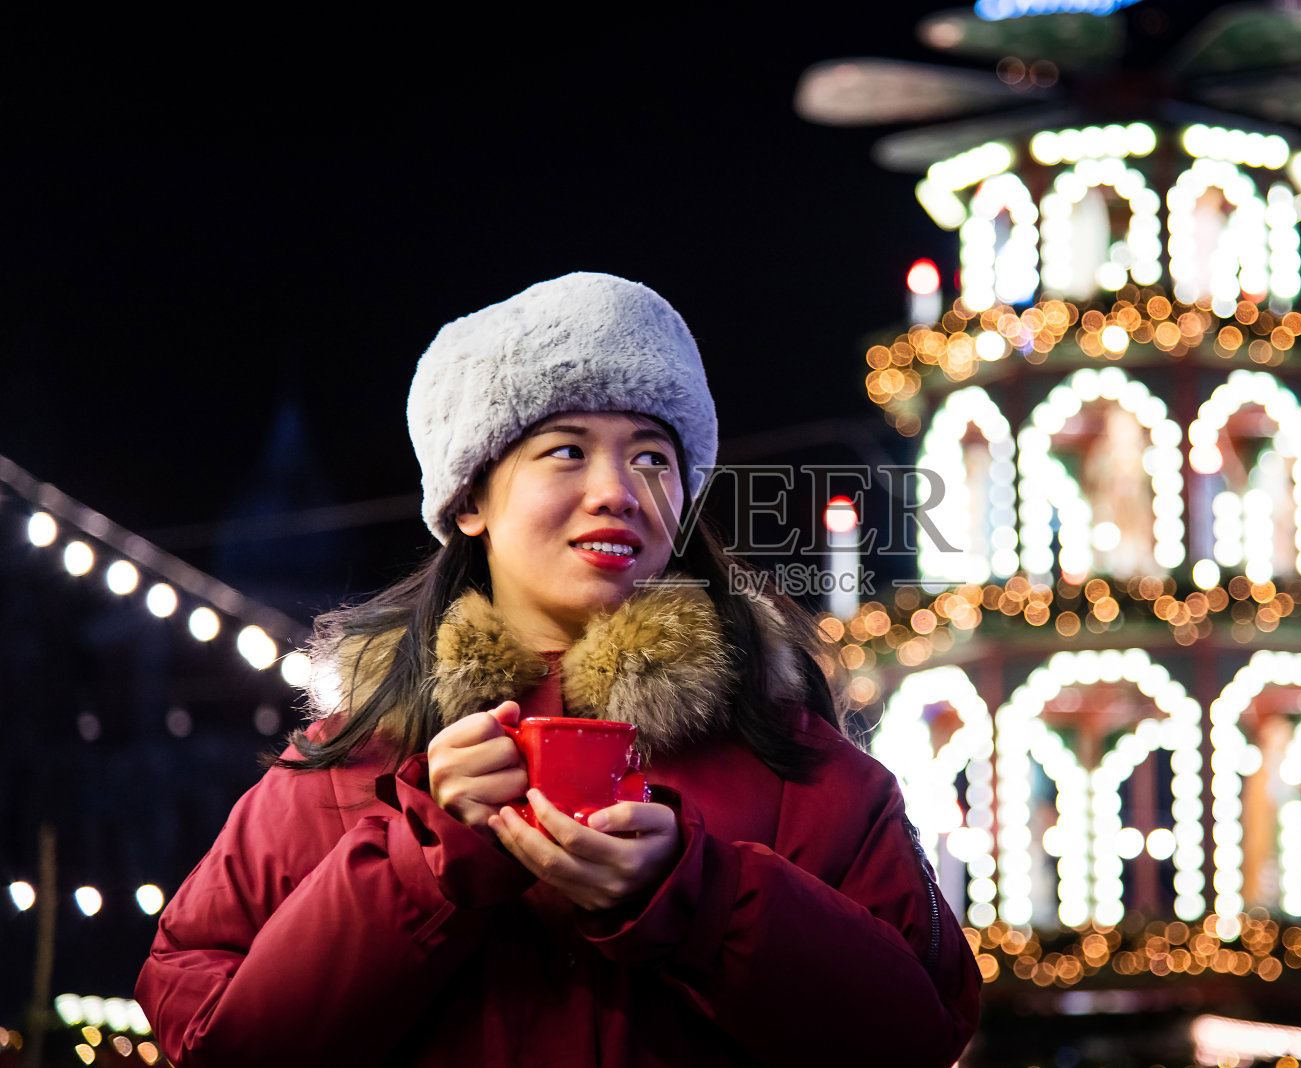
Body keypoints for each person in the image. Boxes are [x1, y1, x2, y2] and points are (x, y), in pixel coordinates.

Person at [136, 272, 981, 1067]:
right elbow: (212, 1033)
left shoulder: (800, 765)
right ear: (470, 498)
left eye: (653, 457)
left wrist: (696, 896)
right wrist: (426, 861)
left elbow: (922, 1030)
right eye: (567, 451)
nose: (618, 490)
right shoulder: (354, 763)